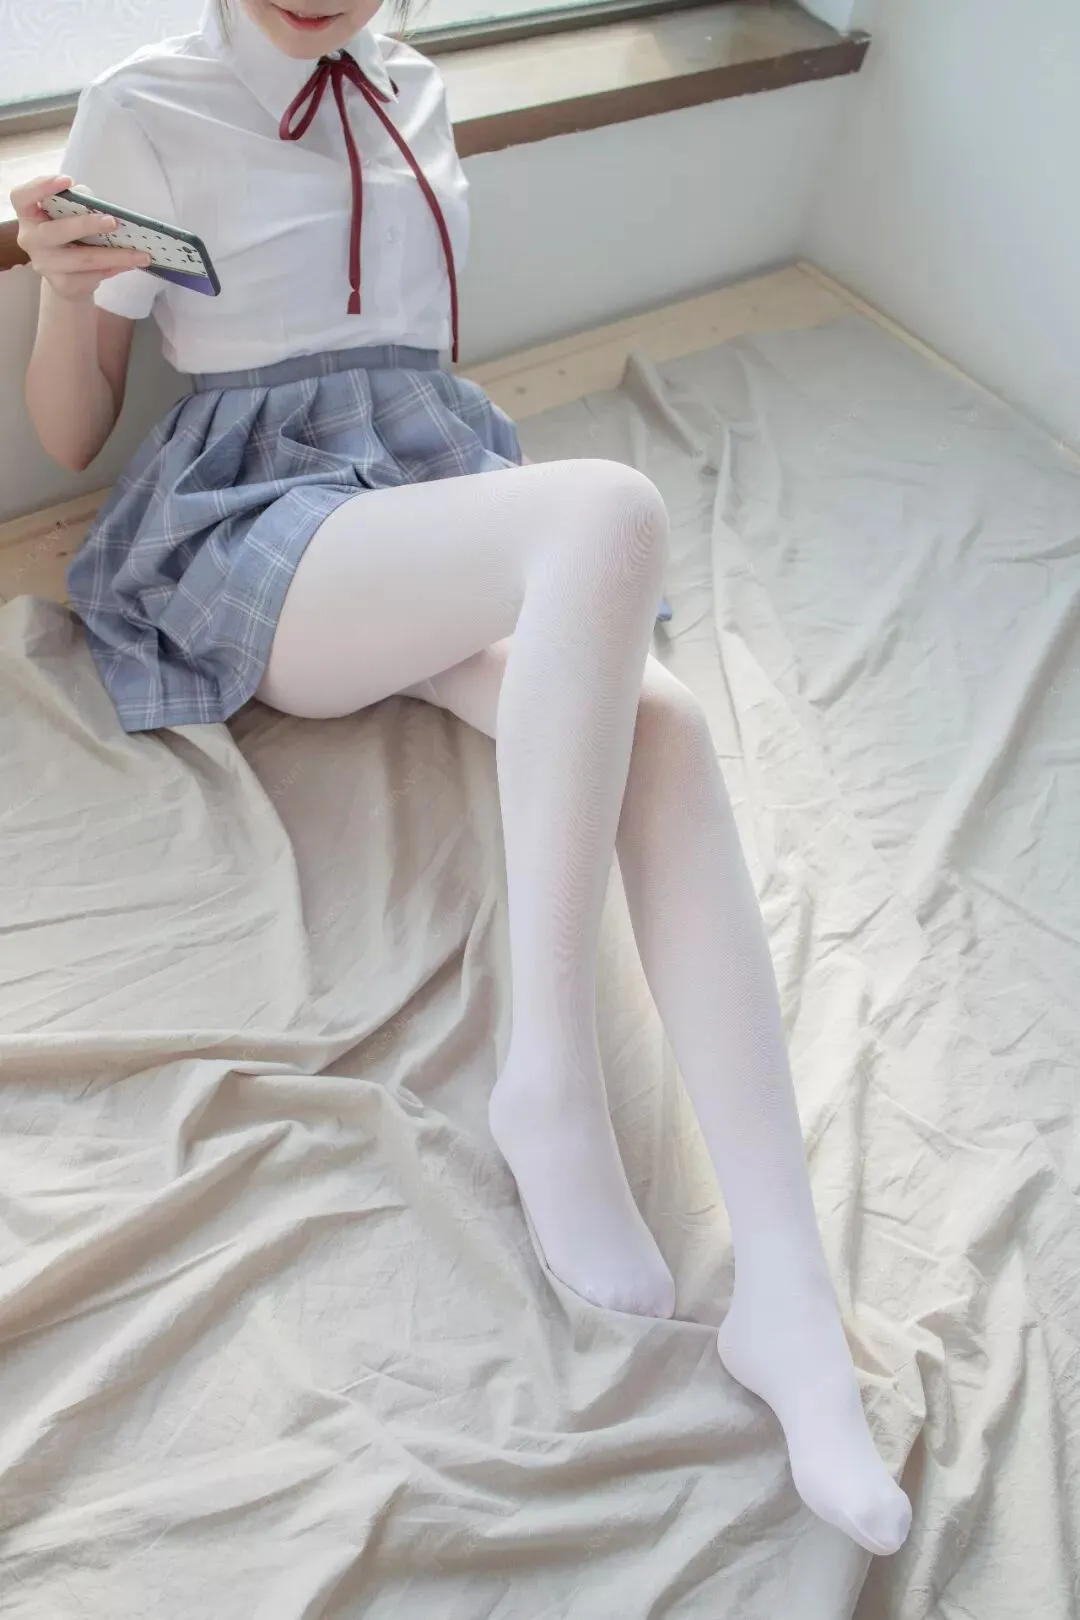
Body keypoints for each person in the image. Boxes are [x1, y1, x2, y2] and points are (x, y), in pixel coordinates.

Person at [12, 0, 911, 1555]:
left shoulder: (417, 87)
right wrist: (61, 289)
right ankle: (547, 1079)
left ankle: (792, 1301)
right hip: (260, 535)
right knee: (607, 512)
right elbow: (74, 430)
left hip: (423, 500)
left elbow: (416, 359)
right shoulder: (144, 107)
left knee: (667, 727)